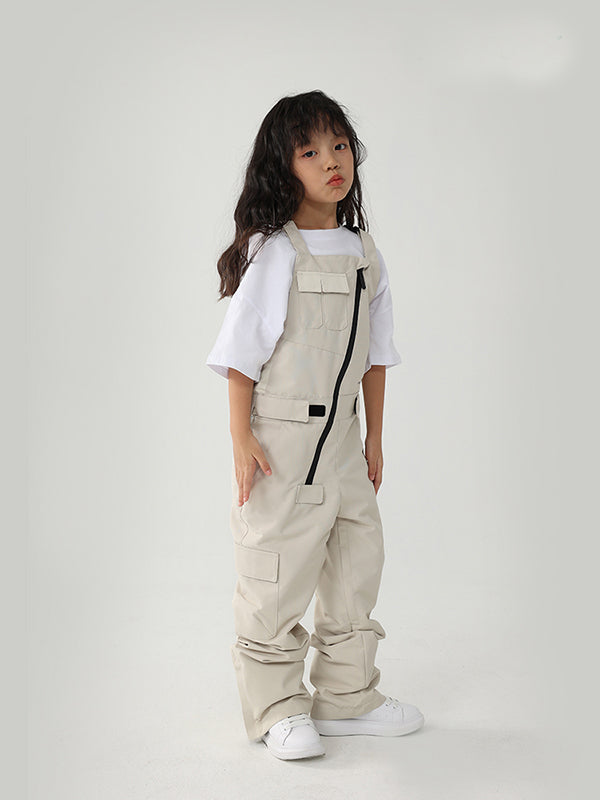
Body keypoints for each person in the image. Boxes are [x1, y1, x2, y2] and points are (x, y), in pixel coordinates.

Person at [206, 89, 424, 760]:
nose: (332, 161)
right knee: (275, 573)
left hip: (345, 446)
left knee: (356, 565)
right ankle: (276, 708)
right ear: (283, 166)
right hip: (282, 445)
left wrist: (375, 439)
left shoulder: (364, 252)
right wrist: (241, 437)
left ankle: (347, 698)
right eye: (310, 151)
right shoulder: (276, 251)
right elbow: (241, 356)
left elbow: (377, 356)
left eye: (339, 145)